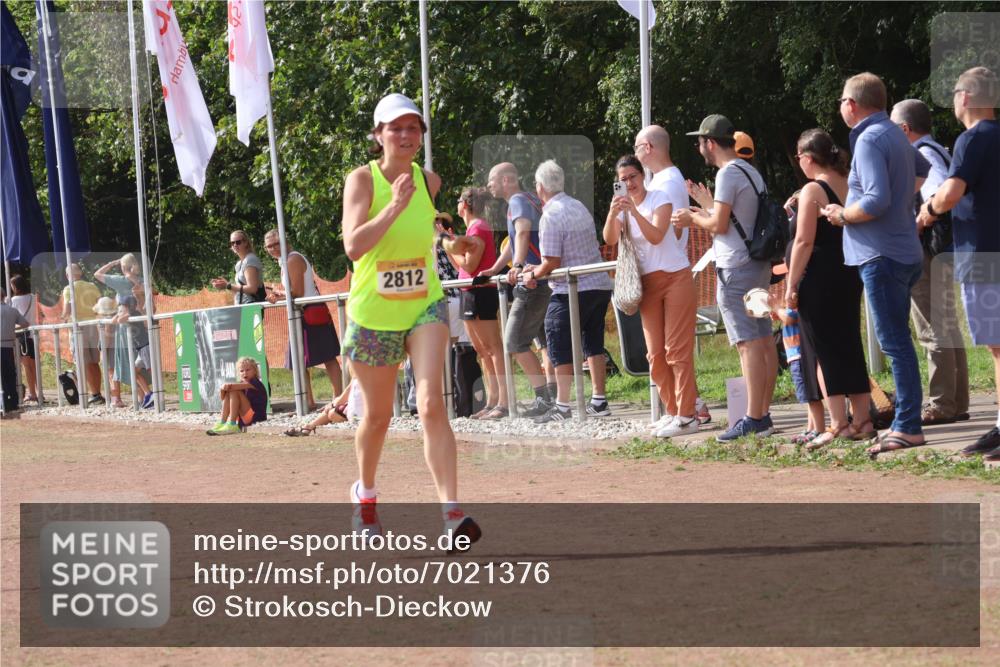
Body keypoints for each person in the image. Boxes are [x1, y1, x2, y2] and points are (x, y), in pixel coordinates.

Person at [340, 92, 480, 548]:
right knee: (378, 416)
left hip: (424, 303)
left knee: (432, 404)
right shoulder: (362, 180)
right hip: (373, 313)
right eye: (395, 128)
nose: (405, 135)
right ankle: (365, 497)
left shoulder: (429, 180)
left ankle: (452, 516)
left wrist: (451, 244)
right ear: (378, 135)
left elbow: (425, 234)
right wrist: (394, 205)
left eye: (413, 127)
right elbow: (354, 246)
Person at [820, 72, 931, 456]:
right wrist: (901, 205)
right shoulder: (895, 134)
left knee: (894, 343)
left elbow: (875, 200)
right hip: (903, 250)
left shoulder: (868, 139)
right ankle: (907, 422)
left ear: (851, 104)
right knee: (899, 341)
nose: (840, 107)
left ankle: (908, 426)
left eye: (841, 101)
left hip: (880, 255)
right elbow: (922, 171)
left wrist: (842, 215)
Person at [673, 115, 778, 440]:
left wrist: (692, 219)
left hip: (736, 269)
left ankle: (754, 418)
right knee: (762, 339)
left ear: (710, 143)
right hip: (757, 265)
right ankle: (762, 414)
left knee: (747, 343)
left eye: (700, 142)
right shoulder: (750, 171)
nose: (699, 147)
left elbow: (718, 225)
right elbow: (733, 220)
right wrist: (705, 212)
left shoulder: (728, 173)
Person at [917, 66, 1000, 462]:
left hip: (983, 253)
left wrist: (928, 210)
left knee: (998, 346)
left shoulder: (972, 138)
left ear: (965, 97)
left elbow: (951, 192)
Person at [784, 129, 875, 449]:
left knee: (823, 350)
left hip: (819, 275)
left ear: (808, 158)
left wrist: (791, 283)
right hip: (849, 271)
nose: (799, 162)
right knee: (849, 344)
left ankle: (838, 424)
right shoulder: (850, 183)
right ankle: (863, 419)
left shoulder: (813, 189)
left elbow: (803, 241)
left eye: (799, 156)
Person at [603, 154, 697, 438]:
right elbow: (609, 239)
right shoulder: (622, 207)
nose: (629, 183)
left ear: (642, 175)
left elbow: (656, 235)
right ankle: (672, 411)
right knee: (655, 354)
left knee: (676, 350)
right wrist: (613, 213)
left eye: (633, 176)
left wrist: (633, 211)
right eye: (623, 180)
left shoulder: (660, 198)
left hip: (675, 276)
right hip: (647, 283)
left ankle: (687, 415)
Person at [891, 98, 971, 426]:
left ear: (904, 129)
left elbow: (939, 196)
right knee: (946, 324)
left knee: (931, 325)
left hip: (927, 251)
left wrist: (917, 223)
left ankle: (941, 403)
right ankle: (956, 401)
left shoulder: (921, 155)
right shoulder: (938, 150)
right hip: (945, 250)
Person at [522, 159, 614, 423]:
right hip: (598, 284)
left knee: (558, 341)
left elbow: (552, 261)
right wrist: (539, 268)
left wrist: (532, 273)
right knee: (593, 343)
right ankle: (599, 400)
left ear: (540, 187)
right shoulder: (578, 206)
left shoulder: (550, 215)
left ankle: (562, 405)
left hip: (571, 289)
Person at [484, 161, 554, 417]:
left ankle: (544, 398)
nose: (488, 185)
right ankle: (552, 395)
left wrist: (519, 266)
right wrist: (495, 268)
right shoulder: (529, 199)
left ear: (506, 180)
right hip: (542, 277)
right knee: (544, 342)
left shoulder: (517, 201)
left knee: (514, 341)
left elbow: (523, 233)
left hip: (532, 281)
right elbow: (514, 241)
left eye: (492, 180)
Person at [442, 186, 508, 419]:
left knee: (493, 348)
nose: (457, 204)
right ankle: (492, 401)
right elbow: (463, 265)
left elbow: (470, 265)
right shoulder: (473, 228)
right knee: (482, 350)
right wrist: (451, 244)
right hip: (469, 292)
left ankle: (503, 402)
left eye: (459, 200)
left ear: (466, 204)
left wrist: (448, 245)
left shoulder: (479, 227)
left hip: (480, 292)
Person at [263, 229, 343, 410]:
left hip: (310, 312)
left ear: (285, 241)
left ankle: (337, 400)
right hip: (303, 313)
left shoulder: (292, 259)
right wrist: (280, 294)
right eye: (269, 246)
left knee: (328, 357)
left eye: (276, 244)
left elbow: (297, 292)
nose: (273, 248)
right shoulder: (286, 260)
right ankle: (310, 402)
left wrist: (278, 293)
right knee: (299, 361)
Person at [95, 254, 147, 407]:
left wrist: (111, 263)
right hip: (141, 326)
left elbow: (97, 274)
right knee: (139, 363)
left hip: (125, 328)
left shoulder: (121, 281)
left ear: (123, 267)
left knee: (128, 362)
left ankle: (142, 398)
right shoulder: (142, 280)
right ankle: (143, 398)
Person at [60, 263, 105, 405]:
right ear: (80, 272)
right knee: (94, 362)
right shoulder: (92, 286)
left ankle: (80, 390)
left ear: (67, 275)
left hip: (78, 328)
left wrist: (62, 319)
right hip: (92, 326)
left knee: (81, 362)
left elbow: (67, 310)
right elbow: (100, 306)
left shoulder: (68, 288)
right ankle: (97, 394)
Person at [206, 356, 267, 435]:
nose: (245, 373)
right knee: (230, 391)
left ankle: (232, 424)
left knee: (234, 391)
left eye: (248, 370)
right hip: (244, 418)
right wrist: (222, 389)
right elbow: (223, 398)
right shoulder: (241, 383)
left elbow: (231, 387)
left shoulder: (255, 383)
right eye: (242, 371)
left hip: (256, 418)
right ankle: (222, 423)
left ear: (255, 371)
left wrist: (225, 386)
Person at [112, 294, 154, 409]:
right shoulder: (130, 313)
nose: (120, 308)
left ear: (129, 306)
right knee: (134, 372)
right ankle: (149, 394)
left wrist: (121, 313)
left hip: (145, 347)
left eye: (123, 306)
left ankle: (155, 394)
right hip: (140, 348)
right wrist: (120, 312)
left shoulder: (134, 313)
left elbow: (119, 320)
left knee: (151, 371)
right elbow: (113, 321)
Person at [210, 230, 265, 304]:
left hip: (251, 305)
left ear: (246, 243)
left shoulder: (250, 259)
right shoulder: (239, 264)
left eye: (238, 242)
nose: (235, 245)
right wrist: (225, 285)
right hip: (242, 305)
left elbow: (252, 289)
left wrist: (228, 286)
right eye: (232, 243)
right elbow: (239, 291)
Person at [8, 275, 38, 404]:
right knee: (34, 365)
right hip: (33, 334)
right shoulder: (33, 297)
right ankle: (38, 391)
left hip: (22, 335)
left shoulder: (14, 300)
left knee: (27, 366)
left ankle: (32, 393)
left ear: (15, 287)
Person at [1, 288, 29, 414]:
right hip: (8, 345)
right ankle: (13, 401)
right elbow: (25, 323)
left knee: (2, 376)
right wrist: (12, 328)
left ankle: (3, 401)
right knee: (10, 374)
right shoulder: (12, 310)